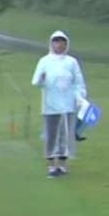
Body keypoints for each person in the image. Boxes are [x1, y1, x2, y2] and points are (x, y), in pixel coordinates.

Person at [32, 30, 87, 178]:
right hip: (50, 105)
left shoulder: (71, 62)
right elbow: (36, 81)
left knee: (65, 135)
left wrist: (79, 97)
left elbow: (78, 82)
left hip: (68, 105)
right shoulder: (44, 61)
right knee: (51, 134)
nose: (59, 45)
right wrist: (42, 79)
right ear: (52, 44)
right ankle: (51, 165)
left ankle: (62, 165)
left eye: (62, 43)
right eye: (56, 42)